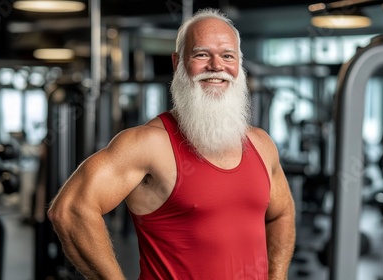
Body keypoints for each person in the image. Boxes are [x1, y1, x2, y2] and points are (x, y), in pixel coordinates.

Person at [47, 8, 296, 280]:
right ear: (177, 62)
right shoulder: (148, 143)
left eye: (227, 56)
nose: (216, 66)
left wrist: (278, 276)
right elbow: (71, 209)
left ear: (239, 65)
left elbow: (281, 214)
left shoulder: (260, 144)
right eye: (201, 54)